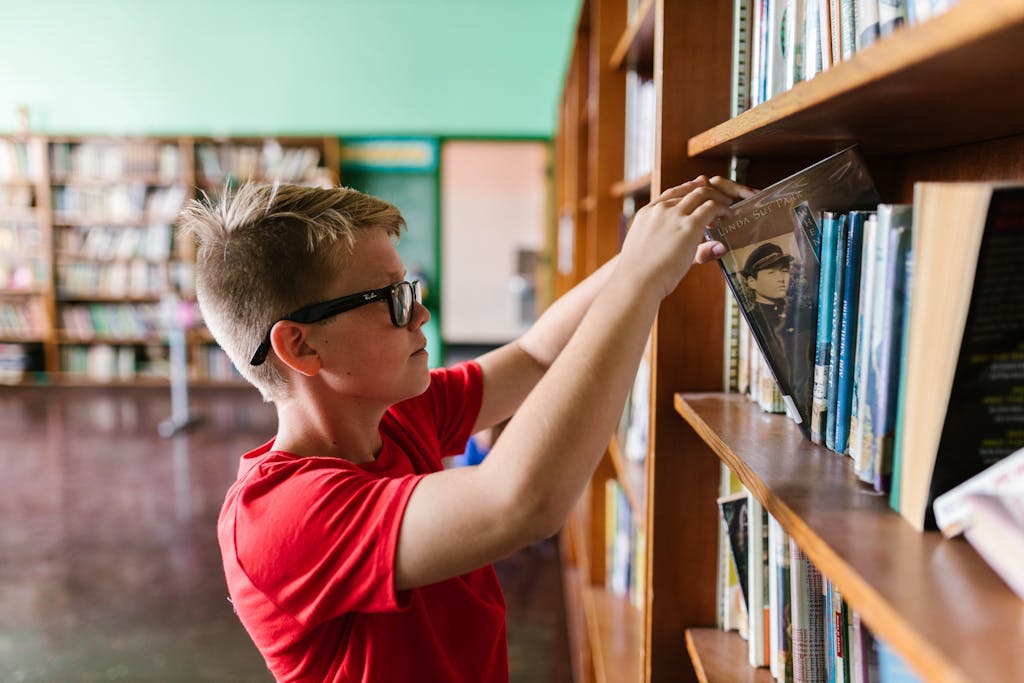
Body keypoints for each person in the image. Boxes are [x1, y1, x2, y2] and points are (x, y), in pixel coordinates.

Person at [178, 175, 753, 683]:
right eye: (393, 299)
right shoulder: (277, 517)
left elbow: (535, 356)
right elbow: (519, 503)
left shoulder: (398, 412)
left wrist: (646, 249)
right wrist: (641, 279)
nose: (422, 314)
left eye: (413, 290)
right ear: (300, 345)